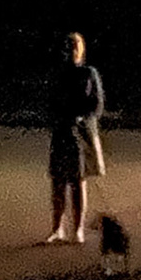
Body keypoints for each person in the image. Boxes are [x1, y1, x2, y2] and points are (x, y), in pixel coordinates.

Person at [43, 31, 104, 244]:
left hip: (80, 135)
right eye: (68, 47)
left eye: (74, 47)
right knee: (58, 182)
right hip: (62, 132)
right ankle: (57, 228)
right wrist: (56, 118)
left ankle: (78, 229)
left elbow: (97, 104)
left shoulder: (88, 73)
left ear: (81, 50)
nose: (70, 51)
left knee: (78, 181)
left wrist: (82, 118)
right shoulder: (58, 74)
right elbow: (50, 102)